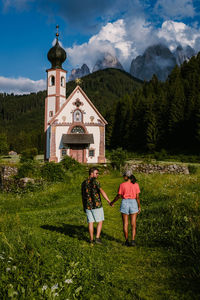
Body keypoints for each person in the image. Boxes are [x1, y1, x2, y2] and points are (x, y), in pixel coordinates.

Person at [110, 170, 141, 246]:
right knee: (133, 224)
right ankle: (133, 240)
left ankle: (127, 240)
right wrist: (139, 206)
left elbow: (119, 196)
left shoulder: (122, 185)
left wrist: (112, 202)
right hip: (134, 203)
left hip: (125, 203)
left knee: (125, 223)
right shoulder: (136, 185)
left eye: (124, 176)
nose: (123, 177)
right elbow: (137, 197)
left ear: (126, 177)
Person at [81, 167, 111, 244]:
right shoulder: (95, 182)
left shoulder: (83, 183)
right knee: (100, 221)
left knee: (90, 222)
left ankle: (91, 239)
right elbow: (101, 191)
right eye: (96, 173)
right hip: (96, 205)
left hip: (87, 205)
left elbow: (83, 195)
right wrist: (108, 200)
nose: (97, 175)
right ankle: (97, 238)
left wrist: (84, 205)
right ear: (91, 173)